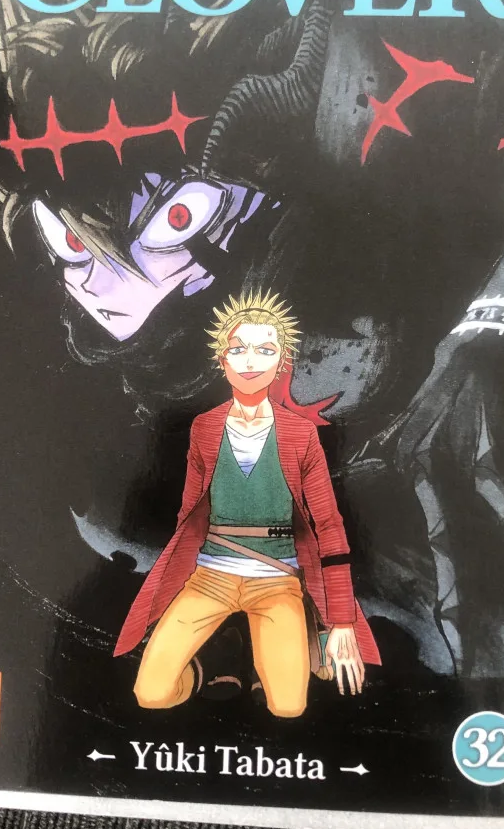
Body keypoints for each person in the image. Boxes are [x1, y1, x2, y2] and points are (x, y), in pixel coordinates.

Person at [114, 288, 381, 718]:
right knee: (152, 694)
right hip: (210, 578)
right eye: (239, 349)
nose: (251, 361)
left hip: (277, 581)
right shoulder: (204, 428)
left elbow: (329, 524)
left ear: (282, 362)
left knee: (288, 708)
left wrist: (342, 621)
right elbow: (189, 514)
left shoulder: (300, 434)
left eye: (265, 350)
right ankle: (216, 655)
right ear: (222, 359)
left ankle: (277, 645)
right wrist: (172, 585)